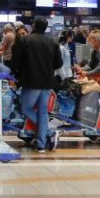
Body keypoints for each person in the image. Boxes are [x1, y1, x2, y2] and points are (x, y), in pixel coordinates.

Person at [11, 18, 62, 153]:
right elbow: (59, 64)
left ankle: (49, 132)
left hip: (31, 81)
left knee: (26, 108)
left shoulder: (24, 40)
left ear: (33, 26)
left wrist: (14, 74)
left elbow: (15, 62)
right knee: (43, 112)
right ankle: (41, 144)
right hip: (47, 82)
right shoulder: (53, 42)